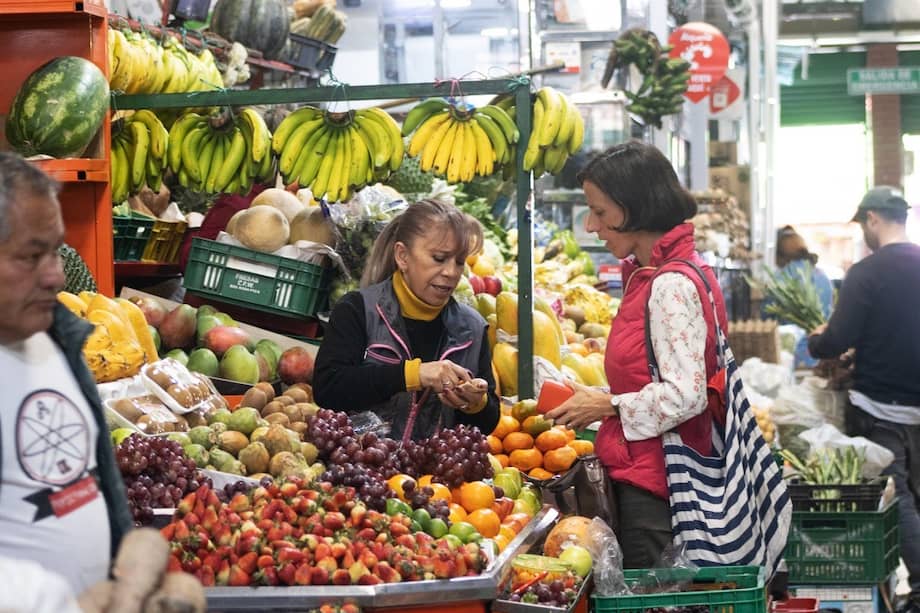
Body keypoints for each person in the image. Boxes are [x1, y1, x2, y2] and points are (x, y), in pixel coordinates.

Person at [545, 141, 728, 568]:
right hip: (650, 474)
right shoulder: (650, 276)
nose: (591, 225)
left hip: (659, 488)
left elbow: (687, 395)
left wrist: (606, 404)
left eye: (601, 212)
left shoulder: (670, 286)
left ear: (634, 209)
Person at [0, 152, 134, 596]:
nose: (56, 275)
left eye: (55, 250)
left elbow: (88, 482)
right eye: (31, 256)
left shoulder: (60, 340)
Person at [808, 186, 920, 612]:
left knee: (898, 495)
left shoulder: (867, 273)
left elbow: (838, 337)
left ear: (873, 219)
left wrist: (820, 341)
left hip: (882, 409)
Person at [313, 199, 500, 441]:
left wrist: (476, 403)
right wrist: (413, 375)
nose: (452, 272)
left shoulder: (472, 328)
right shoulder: (358, 310)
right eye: (439, 258)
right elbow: (329, 388)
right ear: (402, 256)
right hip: (359, 472)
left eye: (459, 261)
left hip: (435, 476)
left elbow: (487, 423)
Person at [767, 225, 834, 367]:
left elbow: (768, 320)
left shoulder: (780, 279)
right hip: (821, 352)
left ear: (779, 255)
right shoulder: (823, 276)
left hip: (790, 356)